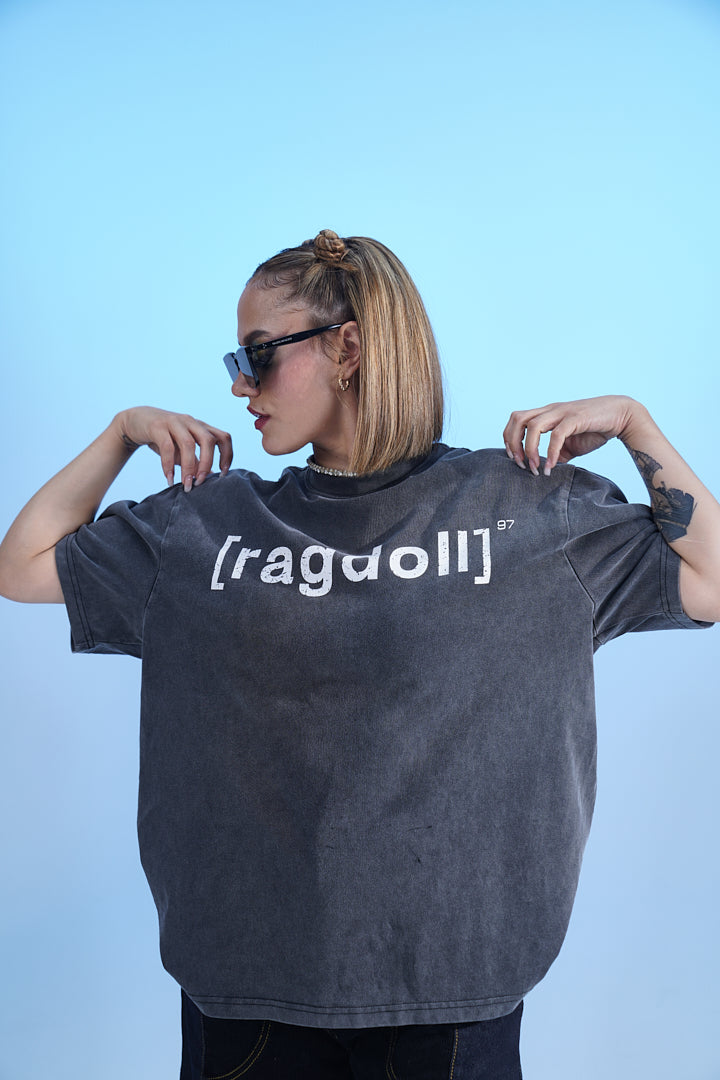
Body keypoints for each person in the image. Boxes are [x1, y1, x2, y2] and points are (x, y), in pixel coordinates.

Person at [1, 229, 718, 1080]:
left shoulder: (524, 513)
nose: (239, 385)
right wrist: (121, 434)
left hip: (453, 999)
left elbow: (710, 579)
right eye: (237, 360)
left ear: (347, 348)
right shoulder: (206, 524)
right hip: (245, 991)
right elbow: (22, 565)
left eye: (259, 355)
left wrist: (634, 422)